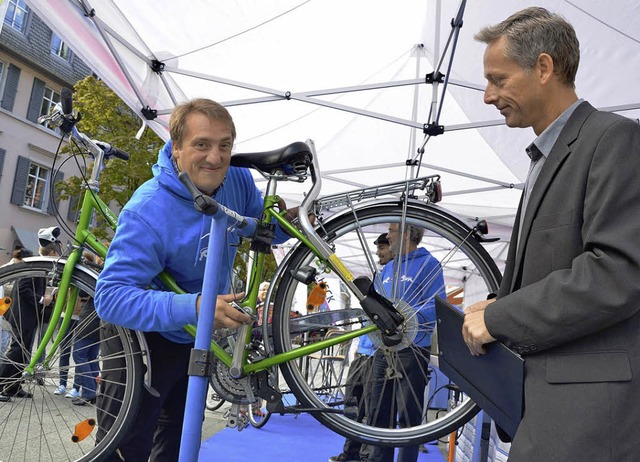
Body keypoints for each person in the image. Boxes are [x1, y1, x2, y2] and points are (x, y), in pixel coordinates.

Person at [462, 7, 640, 461]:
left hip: (588, 419)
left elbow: (617, 272)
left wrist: (501, 318)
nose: (487, 96)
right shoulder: (546, 154)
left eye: (498, 80)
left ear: (544, 67)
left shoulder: (613, 140)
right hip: (547, 411)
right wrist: (503, 304)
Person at [94, 98, 293, 461]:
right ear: (177, 147)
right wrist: (197, 306)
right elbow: (110, 297)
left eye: (225, 145)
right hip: (143, 335)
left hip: (194, 334)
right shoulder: (147, 209)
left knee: (178, 439)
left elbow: (263, 230)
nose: (215, 158)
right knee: (125, 446)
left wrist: (299, 221)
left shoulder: (237, 179)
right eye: (201, 144)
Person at [367, 224, 445, 462]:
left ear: (408, 234)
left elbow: (437, 305)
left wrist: (407, 319)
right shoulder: (388, 268)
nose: (387, 236)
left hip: (413, 348)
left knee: (408, 414)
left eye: (392, 230)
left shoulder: (429, 265)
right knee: (378, 411)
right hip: (384, 347)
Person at [329, 233, 394, 462]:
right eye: (377, 248)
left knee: (370, 410)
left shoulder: (395, 276)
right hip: (362, 353)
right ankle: (350, 454)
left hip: (379, 355)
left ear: (393, 246)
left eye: (382, 247)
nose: (378, 252)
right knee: (351, 406)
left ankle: (365, 457)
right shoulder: (380, 275)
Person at [0, 245, 55, 402]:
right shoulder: (32, 266)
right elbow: (23, 289)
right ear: (52, 252)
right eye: (56, 251)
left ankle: (13, 387)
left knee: (24, 351)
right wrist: (41, 299)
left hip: (28, 315)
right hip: (23, 315)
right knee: (17, 350)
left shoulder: (35, 266)